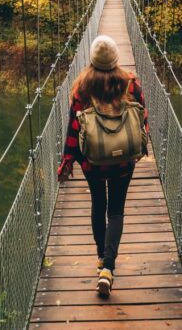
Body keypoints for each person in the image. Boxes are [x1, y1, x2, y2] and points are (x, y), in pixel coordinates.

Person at [58, 34, 148, 299]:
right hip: (123, 161)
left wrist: (67, 161)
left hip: (92, 162)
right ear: (116, 59)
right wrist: (142, 146)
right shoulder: (131, 84)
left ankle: (101, 260)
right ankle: (109, 267)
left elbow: (73, 130)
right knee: (116, 210)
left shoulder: (82, 88)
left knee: (99, 204)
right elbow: (142, 118)